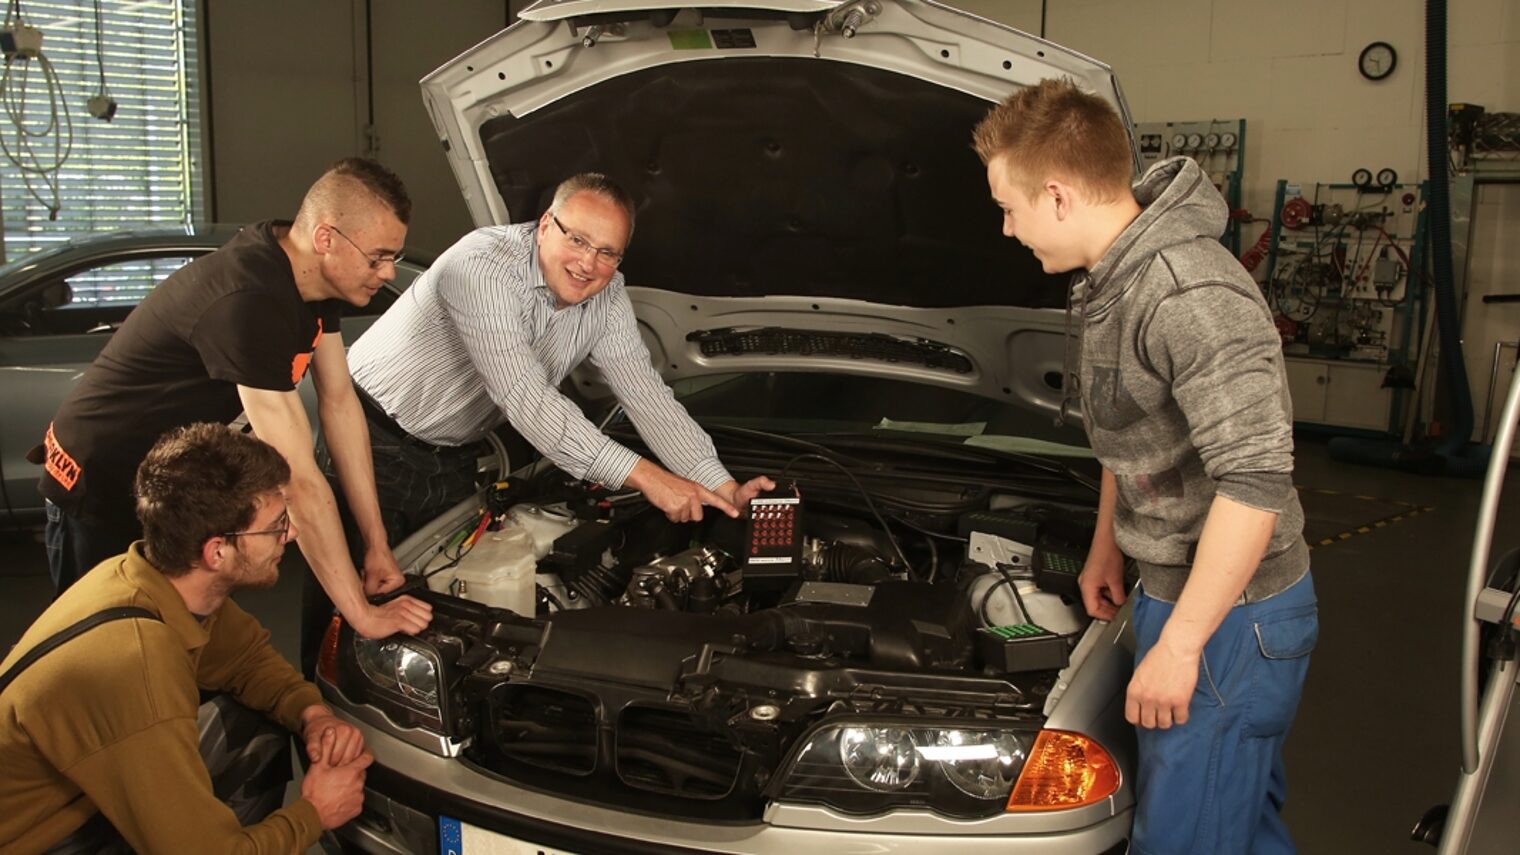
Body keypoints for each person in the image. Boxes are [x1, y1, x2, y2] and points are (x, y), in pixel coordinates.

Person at [972, 79, 1317, 854]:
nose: (1005, 230)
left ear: (1057, 196)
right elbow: (1124, 429)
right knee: (1236, 823)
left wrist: (1182, 645)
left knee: (1186, 838)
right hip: (1179, 588)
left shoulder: (1189, 293)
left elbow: (1256, 483)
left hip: (1234, 613)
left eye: (1010, 208)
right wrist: (1108, 543)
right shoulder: (1111, 277)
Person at [37, 157, 431, 640]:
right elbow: (298, 479)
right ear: (326, 239)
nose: (387, 272)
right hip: (99, 472)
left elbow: (340, 403)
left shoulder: (310, 277)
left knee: (170, 637)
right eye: (378, 257)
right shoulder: (249, 304)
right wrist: (362, 616)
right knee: (95, 647)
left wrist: (376, 545)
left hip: (168, 480)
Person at [339, 171, 773, 540]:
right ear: (546, 224)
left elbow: (646, 396)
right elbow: (526, 399)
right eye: (578, 240)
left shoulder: (608, 295)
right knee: (352, 610)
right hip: (368, 436)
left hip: (454, 456)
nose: (588, 264)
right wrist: (649, 477)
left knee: (432, 594)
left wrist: (720, 484)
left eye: (607, 253)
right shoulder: (481, 266)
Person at [1, 423, 372, 854]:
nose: (289, 534)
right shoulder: (137, 670)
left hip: (81, 793)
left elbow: (247, 659)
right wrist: (314, 812)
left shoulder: (143, 579)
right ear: (217, 551)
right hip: (36, 841)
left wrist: (312, 714)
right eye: (275, 525)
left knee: (251, 727)